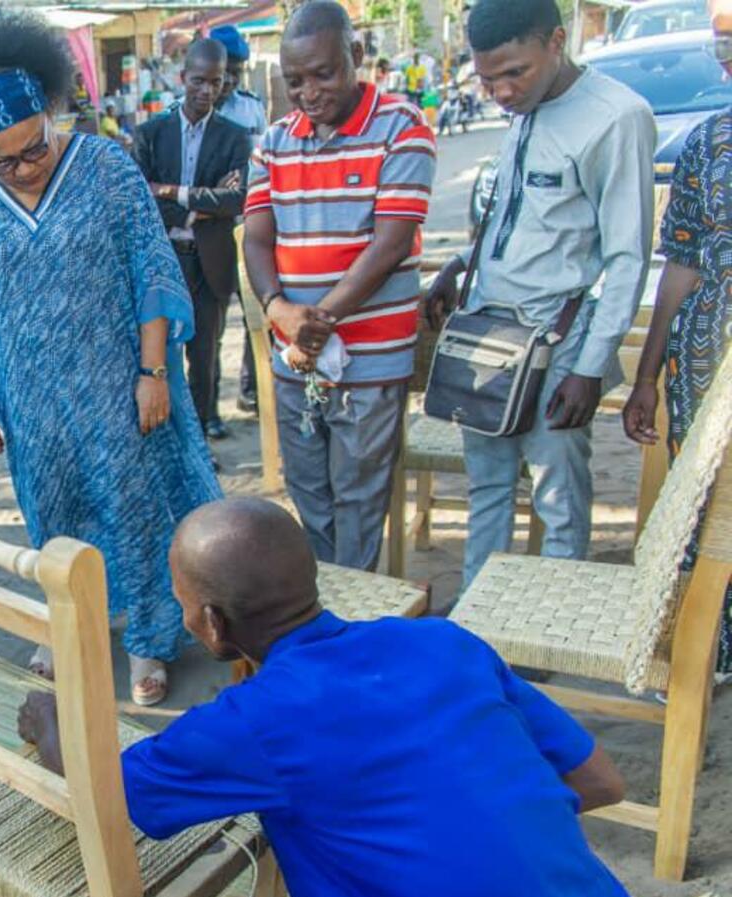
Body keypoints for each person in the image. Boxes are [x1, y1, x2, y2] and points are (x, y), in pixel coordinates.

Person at [17, 497, 651, 897]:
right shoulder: (442, 643)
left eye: (182, 600)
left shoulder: (256, 721)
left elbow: (108, 786)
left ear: (211, 624)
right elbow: (599, 780)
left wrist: (51, 725)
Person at [0, 13, 221, 705]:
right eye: (2, 158)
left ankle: (148, 639)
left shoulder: (105, 167)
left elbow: (152, 270)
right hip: (32, 405)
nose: (25, 167)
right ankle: (66, 619)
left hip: (120, 390)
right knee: (52, 515)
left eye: (33, 147)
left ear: (51, 113)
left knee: (135, 510)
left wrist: (153, 373)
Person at [424, 0, 655, 587]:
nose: (499, 91)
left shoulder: (616, 117)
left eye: (513, 73)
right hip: (488, 334)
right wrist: (457, 265)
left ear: (556, 42)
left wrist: (589, 366)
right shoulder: (525, 108)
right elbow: (516, 218)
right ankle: (480, 625)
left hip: (559, 339)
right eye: (486, 78)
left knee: (558, 496)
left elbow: (627, 257)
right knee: (489, 489)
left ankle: (555, 624)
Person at [242, 1, 436, 572]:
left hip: (370, 358)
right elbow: (256, 240)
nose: (308, 92)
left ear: (355, 56)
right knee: (308, 490)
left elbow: (391, 243)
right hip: (294, 355)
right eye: (294, 80)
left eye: (323, 74)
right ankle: (329, 599)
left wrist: (315, 319)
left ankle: (355, 617)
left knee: (357, 494)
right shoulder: (274, 142)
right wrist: (280, 311)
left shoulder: (402, 128)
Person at [622, 3, 732, 684]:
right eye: (721, 42)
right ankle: (713, 647)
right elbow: (682, 262)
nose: (725, 56)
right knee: (710, 499)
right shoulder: (707, 142)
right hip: (706, 354)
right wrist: (648, 371)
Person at [136, 39, 251, 450]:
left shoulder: (235, 138)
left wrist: (171, 192)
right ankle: (164, 449)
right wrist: (200, 204)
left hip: (210, 264)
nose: (206, 91)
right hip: (163, 263)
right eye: (199, 81)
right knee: (158, 359)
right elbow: (140, 202)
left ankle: (198, 447)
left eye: (216, 83)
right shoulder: (151, 134)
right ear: (183, 78)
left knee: (204, 361)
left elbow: (236, 200)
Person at [209, 26, 270, 418]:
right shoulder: (194, 108)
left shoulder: (252, 108)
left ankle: (251, 389)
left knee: (257, 309)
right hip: (210, 230)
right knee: (211, 327)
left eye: (236, 70)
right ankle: (208, 407)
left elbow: (264, 164)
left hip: (250, 223)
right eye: (224, 70)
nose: (229, 79)